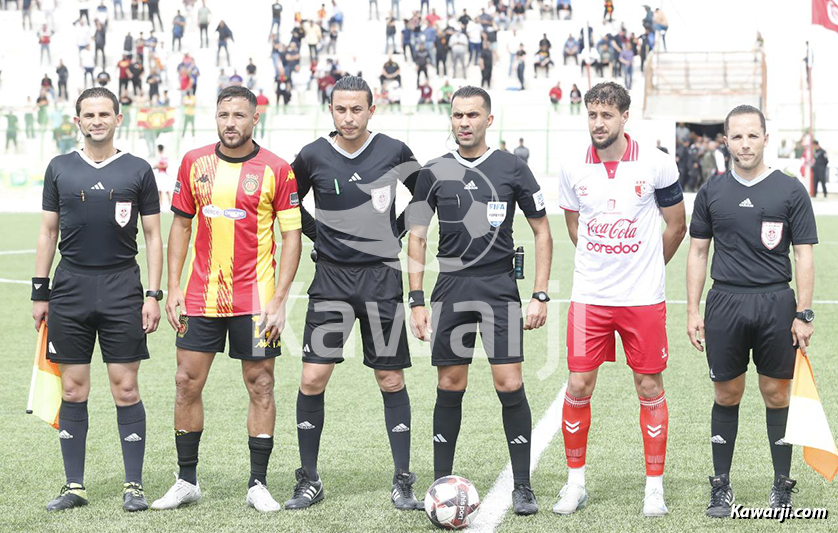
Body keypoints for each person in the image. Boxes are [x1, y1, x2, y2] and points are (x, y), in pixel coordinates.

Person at [152, 86, 302, 513]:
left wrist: (280, 298)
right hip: (201, 297)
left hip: (257, 299)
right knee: (186, 382)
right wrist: (174, 287)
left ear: (255, 119)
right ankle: (186, 480)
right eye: (223, 115)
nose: (230, 123)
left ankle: (258, 484)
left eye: (239, 115)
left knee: (261, 385)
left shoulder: (277, 169)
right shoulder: (193, 163)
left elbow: (292, 237)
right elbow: (181, 227)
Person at [407, 85, 551, 516]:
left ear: (489, 120)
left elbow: (542, 231)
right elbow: (417, 236)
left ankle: (522, 486)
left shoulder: (513, 168)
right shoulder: (433, 171)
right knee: (450, 384)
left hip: (499, 289)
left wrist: (539, 293)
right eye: (458, 115)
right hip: (451, 289)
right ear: (451, 119)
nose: (464, 123)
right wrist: (416, 299)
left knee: (509, 383)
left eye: (472, 115)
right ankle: (440, 485)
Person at [283, 76, 422, 511]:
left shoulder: (393, 151)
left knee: (390, 378)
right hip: (331, 281)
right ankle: (309, 478)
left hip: (381, 279)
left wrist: (395, 231)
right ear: (331, 110)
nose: (348, 117)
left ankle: (402, 479)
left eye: (356, 109)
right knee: (312, 377)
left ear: (371, 110)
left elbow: (425, 194)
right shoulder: (312, 155)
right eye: (340, 109)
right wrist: (319, 234)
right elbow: (287, 201)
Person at [554, 82, 687, 517]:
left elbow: (676, 225)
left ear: (625, 117)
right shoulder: (572, 166)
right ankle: (575, 483)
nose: (598, 123)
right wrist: (603, 264)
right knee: (578, 385)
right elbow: (575, 227)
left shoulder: (657, 163)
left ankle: (654, 488)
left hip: (643, 299)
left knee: (649, 386)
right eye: (592, 115)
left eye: (606, 115)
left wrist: (648, 266)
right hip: (589, 297)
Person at [33, 87, 163, 512]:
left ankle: (134, 486)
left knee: (126, 388)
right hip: (70, 288)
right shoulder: (59, 168)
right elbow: (48, 232)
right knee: (73, 389)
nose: (96, 121)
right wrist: (40, 291)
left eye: (104, 114)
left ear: (117, 118)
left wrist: (153, 294)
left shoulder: (138, 169)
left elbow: (153, 236)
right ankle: (74, 486)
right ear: (78, 121)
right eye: (88, 115)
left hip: (122, 288)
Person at [686, 105, 817, 517]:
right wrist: (692, 310)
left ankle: (782, 485)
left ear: (765, 139)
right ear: (726, 140)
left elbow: (803, 255)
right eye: (737, 136)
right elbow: (698, 252)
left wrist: (804, 313)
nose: (745, 144)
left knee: (776, 393)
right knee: (727, 393)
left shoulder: (790, 190)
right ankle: (721, 485)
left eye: (752, 135)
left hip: (776, 302)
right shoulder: (711, 190)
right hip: (725, 302)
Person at [152, 143, 172, 208]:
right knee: (159, 191)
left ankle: (170, 205)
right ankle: (160, 206)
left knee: (167, 190)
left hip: (164, 175)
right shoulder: (158, 157)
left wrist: (158, 166)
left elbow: (165, 165)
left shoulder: (164, 156)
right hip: (159, 174)